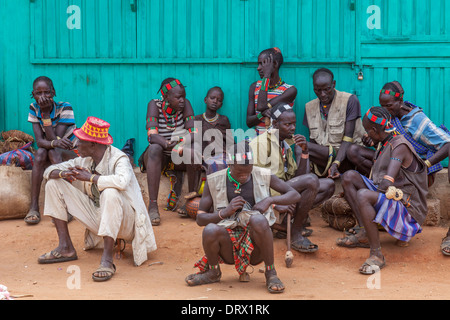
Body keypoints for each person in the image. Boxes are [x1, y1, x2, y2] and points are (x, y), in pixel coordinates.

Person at [37, 117, 157, 281]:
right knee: (53, 184)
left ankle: (107, 260)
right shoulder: (85, 160)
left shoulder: (119, 158)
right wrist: (63, 174)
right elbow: (50, 170)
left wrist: (91, 178)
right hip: (100, 220)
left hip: (127, 224)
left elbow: (121, 181)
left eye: (80, 141)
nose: (76, 145)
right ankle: (65, 247)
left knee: (110, 192)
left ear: (93, 144)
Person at [185, 141, 301, 293]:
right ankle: (213, 272)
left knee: (258, 219)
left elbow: (295, 195)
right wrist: (224, 212)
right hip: (228, 247)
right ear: (229, 164)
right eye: (239, 172)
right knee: (209, 230)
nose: (244, 176)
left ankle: (271, 273)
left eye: (248, 171)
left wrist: (269, 200)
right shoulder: (214, 180)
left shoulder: (262, 174)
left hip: (256, 248)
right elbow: (200, 219)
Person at [337, 107, 428, 274]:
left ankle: (377, 255)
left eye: (367, 131)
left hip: (408, 212)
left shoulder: (399, 146)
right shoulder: (386, 140)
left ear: (374, 130)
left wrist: (367, 201)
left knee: (363, 195)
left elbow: (386, 184)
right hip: (395, 200)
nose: (366, 135)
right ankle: (365, 231)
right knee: (349, 176)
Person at [250, 104, 335, 253]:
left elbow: (299, 177)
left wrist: (305, 152)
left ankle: (287, 224)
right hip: (269, 199)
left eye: (294, 124)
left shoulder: (285, 144)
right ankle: (295, 232)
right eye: (287, 124)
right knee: (312, 180)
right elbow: (255, 183)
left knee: (328, 185)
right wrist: (275, 205)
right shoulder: (261, 144)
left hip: (284, 191)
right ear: (275, 124)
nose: (292, 128)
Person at [139, 78, 200, 226]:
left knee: (192, 152)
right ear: (166, 97)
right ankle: (153, 206)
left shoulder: (186, 105)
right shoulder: (154, 105)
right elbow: (152, 135)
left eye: (183, 96)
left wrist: (182, 142)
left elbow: (194, 132)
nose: (182, 100)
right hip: (160, 156)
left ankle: (190, 201)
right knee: (155, 147)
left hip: (177, 154)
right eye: (178, 97)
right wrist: (167, 143)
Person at [25, 76, 78, 225]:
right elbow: (40, 141)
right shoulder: (33, 108)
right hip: (49, 151)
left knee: (52, 151)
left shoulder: (65, 108)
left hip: (69, 153)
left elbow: (55, 139)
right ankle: (34, 206)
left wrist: (46, 115)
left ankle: (65, 207)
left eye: (46, 92)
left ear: (53, 92)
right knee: (41, 152)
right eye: (38, 93)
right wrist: (53, 142)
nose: (42, 97)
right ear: (33, 94)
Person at [177, 87, 234, 217]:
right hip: (202, 154)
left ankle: (214, 205)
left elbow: (229, 142)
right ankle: (191, 199)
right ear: (205, 100)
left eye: (219, 100)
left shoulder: (224, 120)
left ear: (221, 104)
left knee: (218, 164)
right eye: (212, 98)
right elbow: (192, 138)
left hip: (220, 155)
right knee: (193, 155)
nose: (215, 101)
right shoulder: (196, 120)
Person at [303, 68, 366, 179]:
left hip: (346, 156)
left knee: (351, 150)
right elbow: (312, 142)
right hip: (325, 156)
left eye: (327, 89)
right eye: (317, 90)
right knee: (301, 147)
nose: (322, 94)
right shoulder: (309, 107)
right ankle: (306, 181)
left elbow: (348, 138)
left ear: (334, 84)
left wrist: (336, 163)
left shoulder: (349, 100)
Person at [246, 47, 297, 135]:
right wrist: (262, 115)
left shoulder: (289, 90)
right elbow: (249, 122)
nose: (258, 68)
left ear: (275, 64)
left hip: (278, 140)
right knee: (237, 148)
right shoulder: (254, 87)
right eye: (258, 64)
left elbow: (261, 106)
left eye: (262, 64)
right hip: (257, 139)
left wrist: (267, 76)